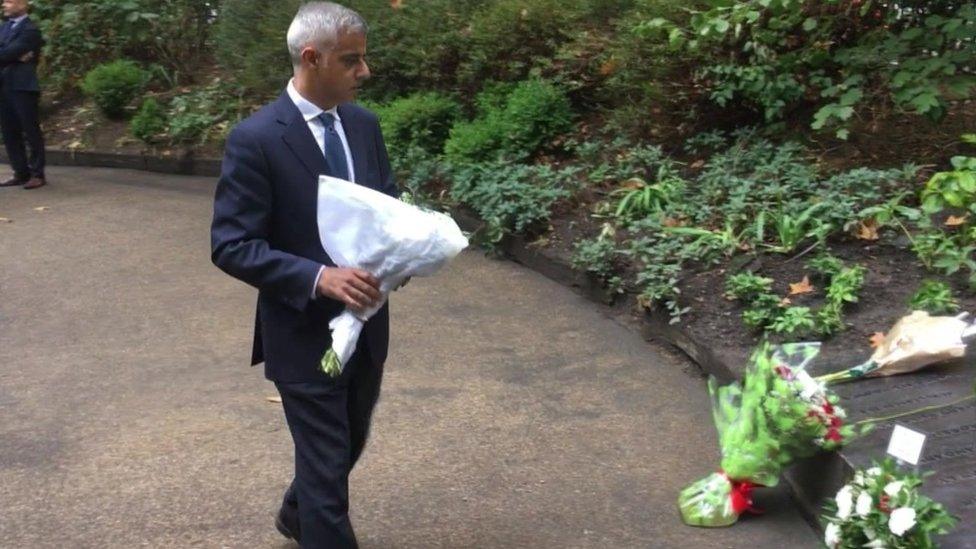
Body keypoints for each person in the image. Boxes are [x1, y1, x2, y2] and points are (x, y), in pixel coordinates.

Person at [210, 3, 397, 548]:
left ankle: (297, 514)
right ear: (311, 58)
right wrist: (319, 277)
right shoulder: (256, 139)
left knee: (346, 444)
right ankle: (316, 521)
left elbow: (384, 209)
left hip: (368, 325)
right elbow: (231, 245)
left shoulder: (364, 125)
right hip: (301, 331)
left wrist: (411, 250)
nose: (366, 71)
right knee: (325, 474)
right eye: (353, 60)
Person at [0, 0, 45, 190]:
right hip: (3, 85)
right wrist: (14, 56)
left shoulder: (31, 30)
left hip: (23, 86)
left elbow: (7, 53)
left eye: (9, 1)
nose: (4, 4)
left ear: (23, 4)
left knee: (30, 129)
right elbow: (8, 54)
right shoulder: (4, 27)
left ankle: (37, 174)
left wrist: (9, 54)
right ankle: (20, 172)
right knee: (9, 132)